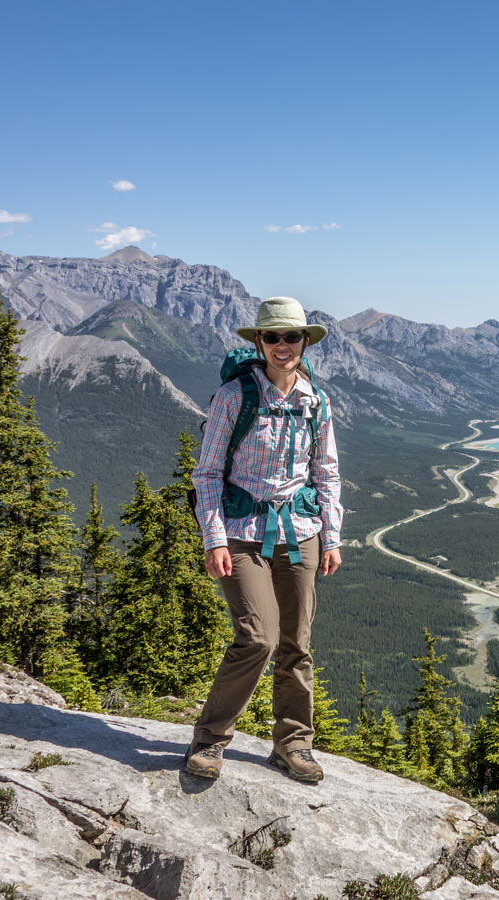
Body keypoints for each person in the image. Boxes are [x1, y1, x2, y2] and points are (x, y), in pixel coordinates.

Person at [184, 296, 342, 782]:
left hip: (301, 532)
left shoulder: (315, 400)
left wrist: (332, 535)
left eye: (290, 337)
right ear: (259, 342)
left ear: (303, 342)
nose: (281, 345)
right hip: (242, 533)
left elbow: (327, 472)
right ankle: (209, 740)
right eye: (271, 337)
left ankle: (292, 744)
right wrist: (213, 539)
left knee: (297, 642)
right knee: (257, 637)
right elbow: (207, 473)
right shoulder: (235, 397)